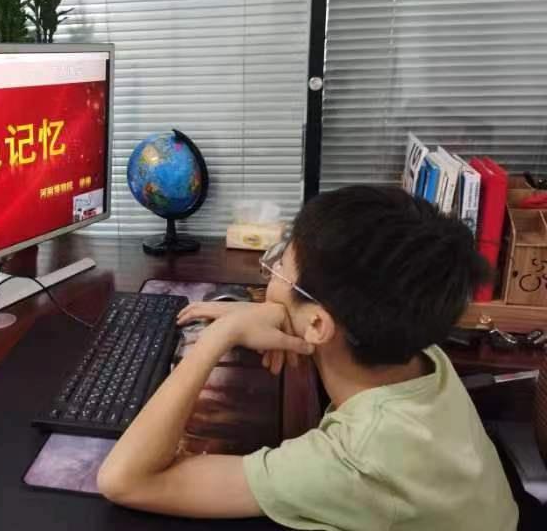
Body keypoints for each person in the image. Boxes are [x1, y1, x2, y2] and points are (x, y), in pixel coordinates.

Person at [97, 185, 518, 530]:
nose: (271, 272)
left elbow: (127, 480)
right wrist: (279, 313)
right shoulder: (420, 349)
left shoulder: (355, 462)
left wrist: (218, 337)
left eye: (279, 268)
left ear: (318, 325)